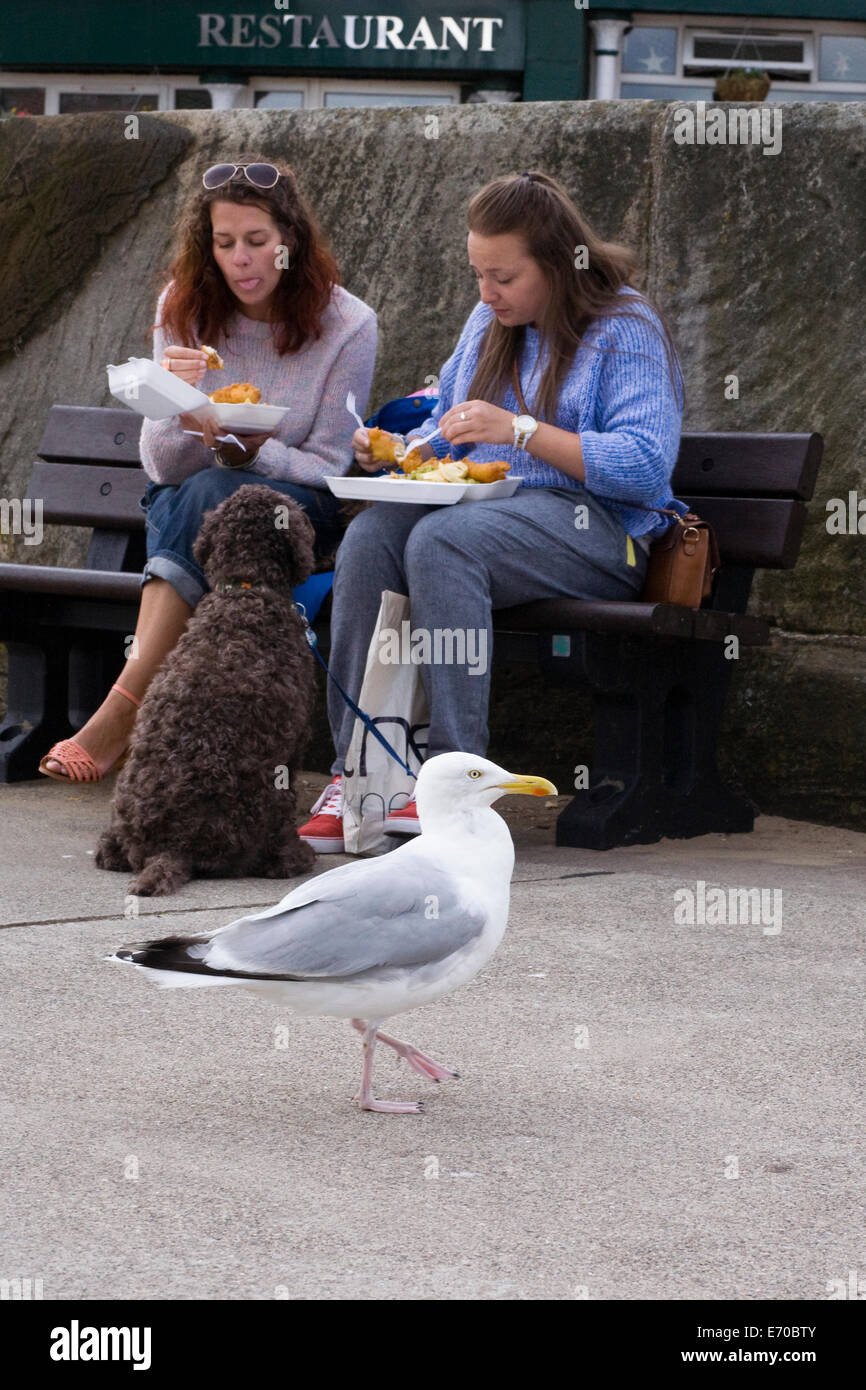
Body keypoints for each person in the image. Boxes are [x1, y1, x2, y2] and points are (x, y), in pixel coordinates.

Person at [298, 169, 686, 853]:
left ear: (559, 263)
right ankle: (360, 774)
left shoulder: (623, 330)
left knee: (444, 542)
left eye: (503, 277)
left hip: (601, 532)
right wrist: (394, 451)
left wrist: (524, 430)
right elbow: (454, 430)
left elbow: (645, 467)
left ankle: (455, 791)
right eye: (479, 274)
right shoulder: (488, 322)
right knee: (372, 539)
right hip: (495, 517)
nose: (487, 293)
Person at [40, 156, 377, 782]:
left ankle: (121, 712)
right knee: (201, 489)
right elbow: (162, 467)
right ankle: (152, 728)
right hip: (193, 509)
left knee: (217, 486)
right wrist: (173, 405)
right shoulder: (184, 304)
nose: (241, 260)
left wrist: (250, 452)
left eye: (257, 242)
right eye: (225, 244)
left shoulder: (349, 324)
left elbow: (330, 468)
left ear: (290, 243)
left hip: (296, 518)